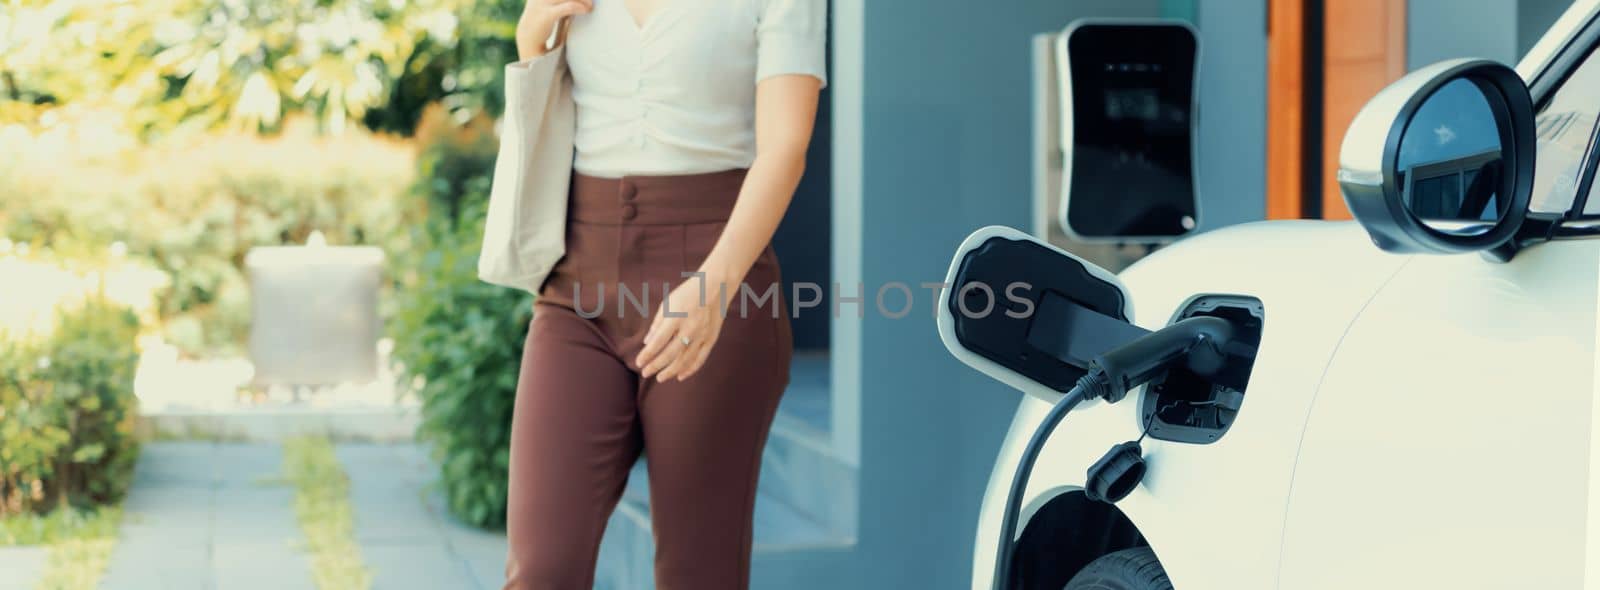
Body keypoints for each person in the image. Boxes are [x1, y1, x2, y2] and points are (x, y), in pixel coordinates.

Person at [502, 0, 826, 588]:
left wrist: (714, 285)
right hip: (578, 284)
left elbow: (785, 148)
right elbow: (558, 123)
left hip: (717, 272)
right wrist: (533, 44)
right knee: (540, 568)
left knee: (697, 571)